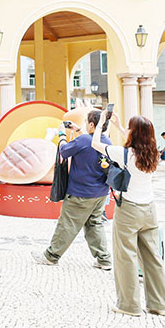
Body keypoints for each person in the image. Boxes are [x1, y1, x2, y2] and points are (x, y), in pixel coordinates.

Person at [91, 112, 165, 317]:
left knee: (125, 256)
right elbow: (135, 140)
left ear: (133, 133)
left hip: (129, 210)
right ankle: (159, 304)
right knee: (153, 258)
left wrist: (101, 123)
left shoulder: (124, 154)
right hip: (149, 210)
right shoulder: (154, 154)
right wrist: (118, 126)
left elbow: (95, 143)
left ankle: (129, 305)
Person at [32, 109, 113, 271]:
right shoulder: (107, 141)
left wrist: (62, 135)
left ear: (92, 125)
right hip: (100, 193)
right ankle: (104, 259)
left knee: (67, 224)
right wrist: (79, 130)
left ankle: (51, 256)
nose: (85, 125)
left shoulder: (83, 140)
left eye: (86, 122)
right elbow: (89, 144)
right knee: (94, 224)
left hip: (80, 193)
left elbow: (64, 151)